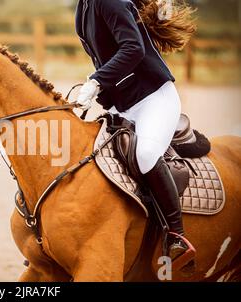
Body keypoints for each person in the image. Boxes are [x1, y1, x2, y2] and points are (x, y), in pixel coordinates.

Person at [72, 0, 197, 268]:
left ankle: (176, 235)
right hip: (124, 105)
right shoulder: (83, 7)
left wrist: (97, 80)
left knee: (146, 153)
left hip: (153, 98)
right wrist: (97, 85)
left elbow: (133, 48)